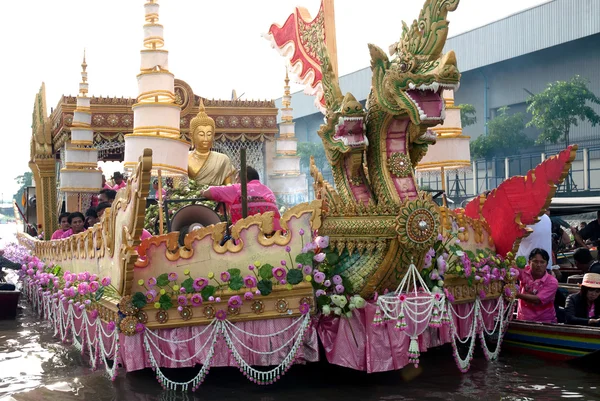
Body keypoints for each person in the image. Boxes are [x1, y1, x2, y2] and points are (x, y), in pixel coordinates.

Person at [200, 166, 282, 231]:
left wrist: (202, 192)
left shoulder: (238, 188)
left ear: (243, 177)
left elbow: (209, 192)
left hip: (249, 240)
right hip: (276, 235)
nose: (235, 182)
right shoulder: (267, 190)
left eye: (236, 179)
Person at [187, 99, 236, 186]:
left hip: (217, 198)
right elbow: (178, 186)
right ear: (192, 136)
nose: (206, 138)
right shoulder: (185, 158)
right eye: (201, 134)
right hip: (188, 198)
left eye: (209, 134)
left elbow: (229, 188)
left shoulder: (222, 160)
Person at [516, 248, 559, 323]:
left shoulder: (552, 281)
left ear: (546, 264)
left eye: (542, 262)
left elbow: (537, 299)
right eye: (535, 261)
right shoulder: (524, 271)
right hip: (522, 319)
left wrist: (516, 294)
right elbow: (510, 270)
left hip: (545, 322)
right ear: (529, 262)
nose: (538, 265)